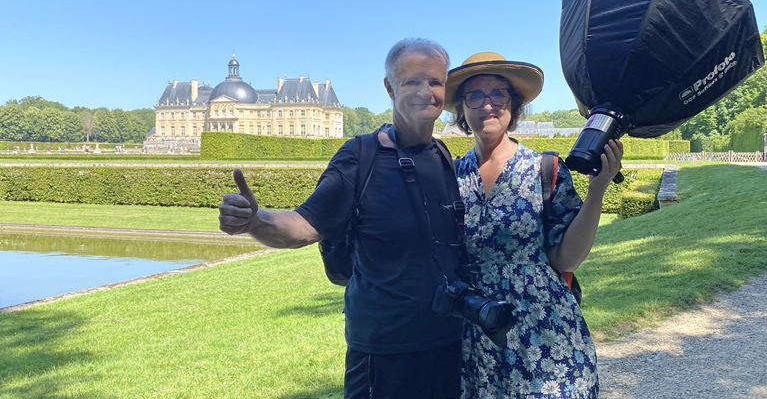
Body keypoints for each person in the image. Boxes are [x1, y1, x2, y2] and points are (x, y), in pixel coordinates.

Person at [218, 38, 464, 399]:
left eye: (435, 82)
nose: (426, 92)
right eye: (412, 81)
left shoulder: (442, 155)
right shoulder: (360, 155)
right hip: (384, 351)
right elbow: (304, 226)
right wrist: (255, 221)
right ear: (389, 87)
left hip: (447, 342)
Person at [444, 52, 623, 399]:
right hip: (478, 334)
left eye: (498, 93)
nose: (487, 105)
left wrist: (598, 189)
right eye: (475, 96)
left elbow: (565, 261)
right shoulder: (450, 175)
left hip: (545, 330)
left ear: (514, 105)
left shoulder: (545, 169)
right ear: (463, 109)